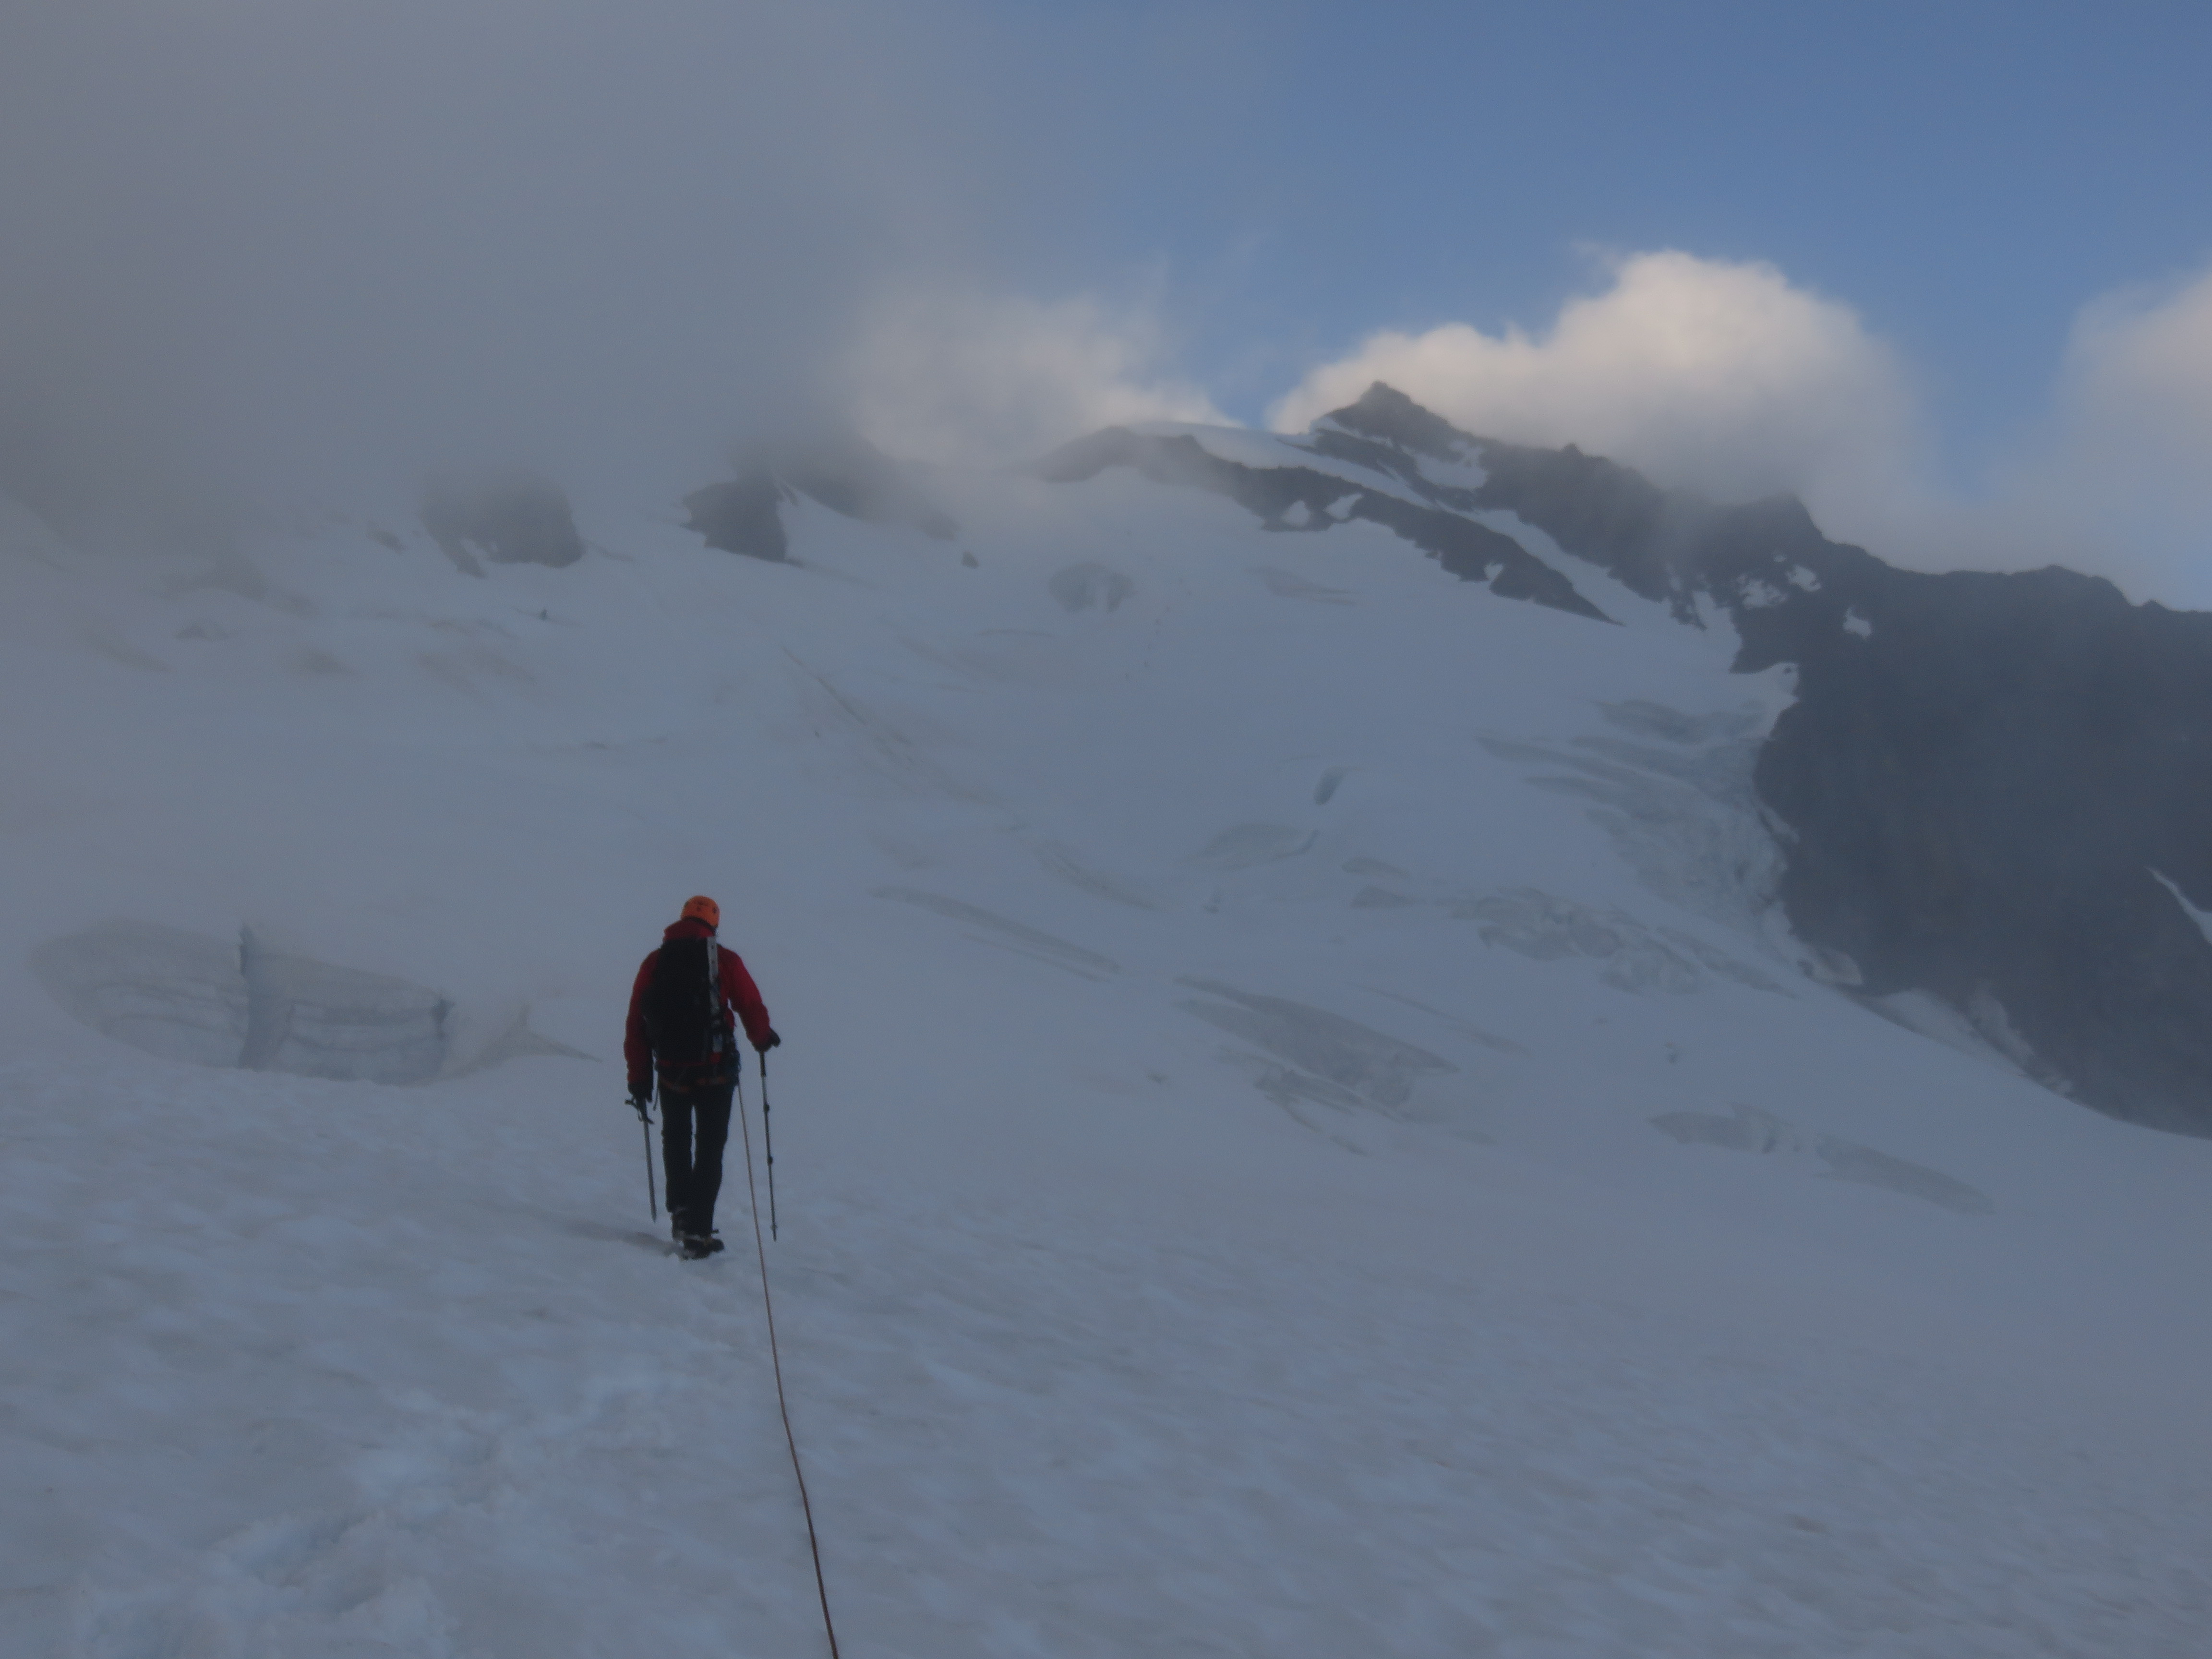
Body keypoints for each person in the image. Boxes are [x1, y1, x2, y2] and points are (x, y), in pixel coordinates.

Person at [625, 895, 780, 1258]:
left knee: (676, 1139)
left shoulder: (654, 962)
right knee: (710, 1149)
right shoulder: (723, 960)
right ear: (713, 924)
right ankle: (699, 1231)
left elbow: (637, 1023)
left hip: (670, 1071)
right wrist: (762, 1037)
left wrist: (639, 1077)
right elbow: (750, 1005)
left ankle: (680, 1213)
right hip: (716, 1072)